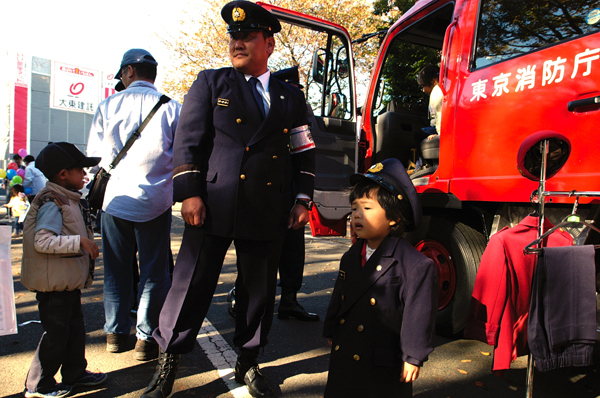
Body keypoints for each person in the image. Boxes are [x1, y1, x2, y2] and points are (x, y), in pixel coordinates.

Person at [143, 2, 315, 398]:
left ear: (268, 44)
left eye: (247, 36)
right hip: (213, 203)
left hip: (267, 207)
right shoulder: (211, 83)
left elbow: (304, 150)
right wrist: (189, 194)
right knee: (189, 285)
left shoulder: (290, 97)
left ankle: (249, 362)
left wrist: (303, 199)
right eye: (234, 37)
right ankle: (169, 361)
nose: (237, 43)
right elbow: (187, 142)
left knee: (259, 291)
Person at [87, 49, 181, 362]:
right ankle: (146, 338)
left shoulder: (107, 105)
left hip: (115, 201)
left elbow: (95, 158)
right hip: (156, 201)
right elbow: (182, 156)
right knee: (154, 272)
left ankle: (115, 333)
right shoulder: (172, 108)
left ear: (128, 72)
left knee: (116, 271)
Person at [323, 158, 438, 398]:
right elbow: (341, 297)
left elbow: (418, 315)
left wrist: (413, 356)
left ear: (393, 218)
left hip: (382, 359)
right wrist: (332, 329)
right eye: (354, 208)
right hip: (347, 350)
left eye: (367, 208)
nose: (356, 215)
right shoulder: (352, 256)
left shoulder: (414, 264)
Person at [20, 142, 106, 398]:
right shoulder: (52, 202)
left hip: (66, 283)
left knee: (74, 332)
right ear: (63, 174)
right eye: (81, 170)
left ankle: (75, 373)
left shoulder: (67, 199)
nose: (86, 175)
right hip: (54, 286)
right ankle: (39, 384)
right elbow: (43, 241)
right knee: (56, 336)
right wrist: (79, 242)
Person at [417, 65, 442, 140]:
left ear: (433, 81)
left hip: (439, 129)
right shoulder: (439, 91)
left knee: (418, 135)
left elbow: (440, 115)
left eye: (423, 86)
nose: (423, 90)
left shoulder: (436, 92)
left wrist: (439, 135)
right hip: (436, 127)